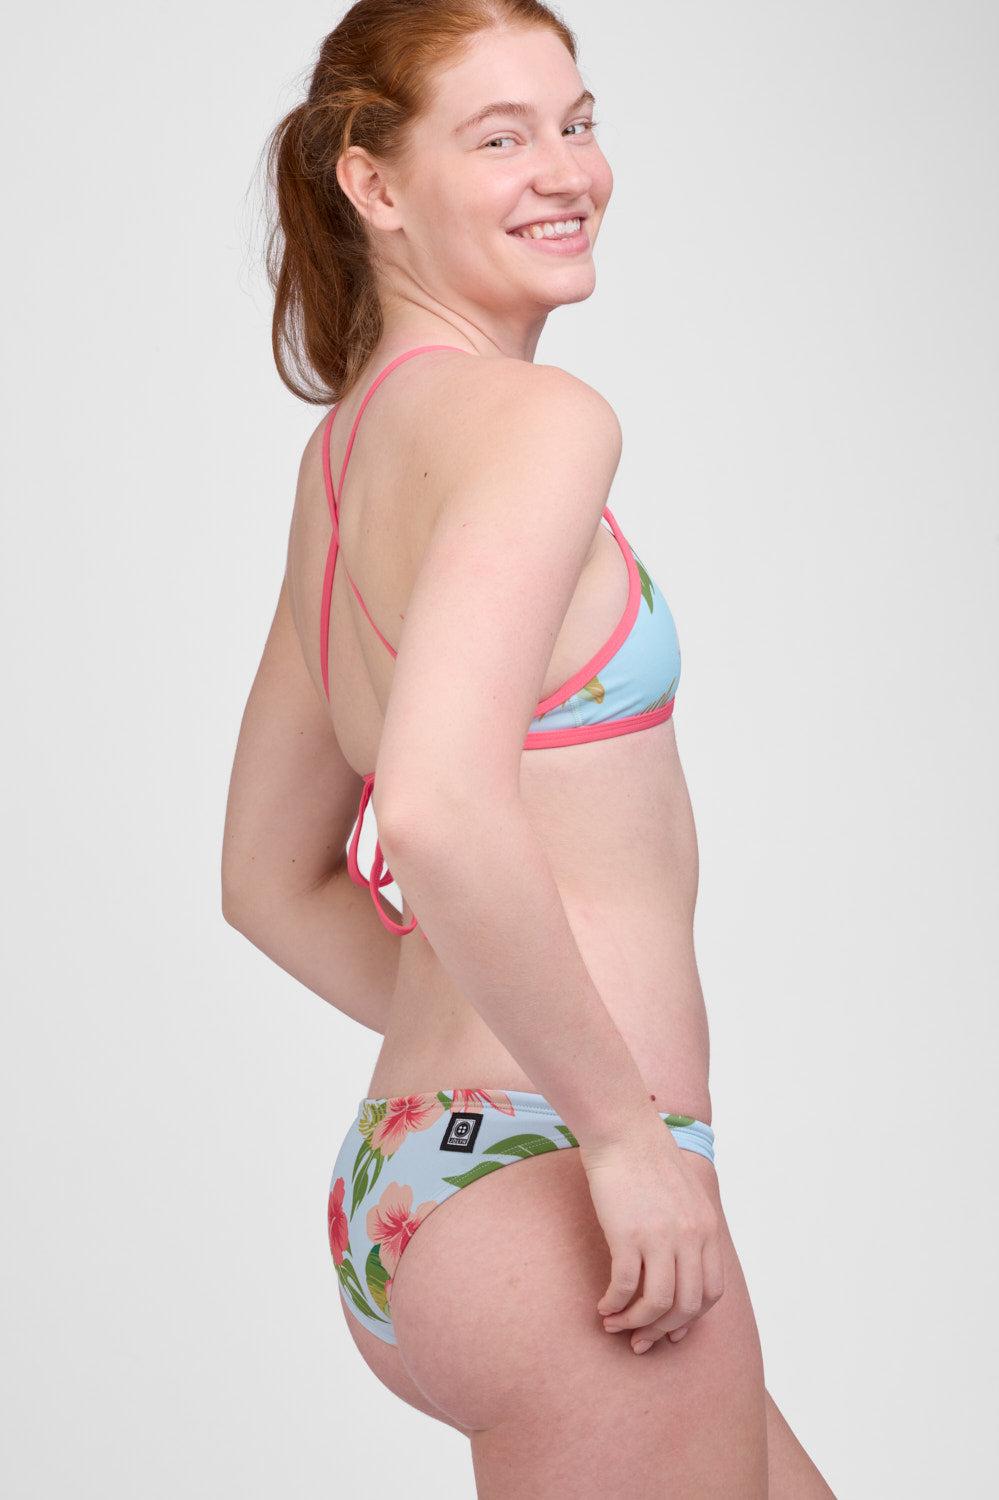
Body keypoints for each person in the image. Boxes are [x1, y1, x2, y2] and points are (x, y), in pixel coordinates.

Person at [222, 2, 836, 1494]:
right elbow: (434, 806)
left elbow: (264, 879)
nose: (567, 170)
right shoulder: (538, 422)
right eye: (500, 138)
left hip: (422, 1171)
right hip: (556, 1182)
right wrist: (614, 1133)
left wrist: (482, 1051)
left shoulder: (347, 457)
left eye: (577, 122)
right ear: (372, 181)